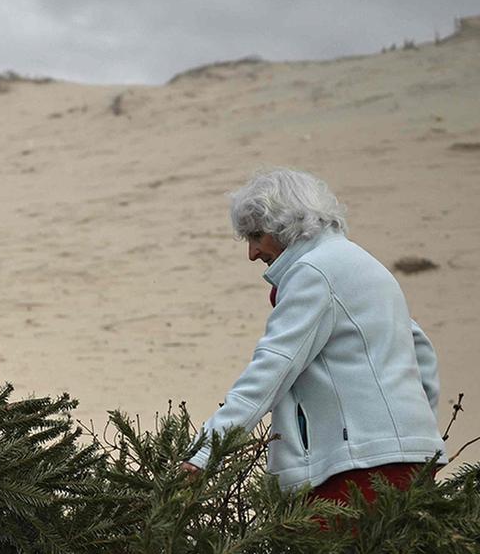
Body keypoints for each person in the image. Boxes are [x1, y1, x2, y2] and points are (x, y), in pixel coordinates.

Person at [183, 169, 445, 503]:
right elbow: (421, 352)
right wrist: (418, 433)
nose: (252, 253)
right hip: (409, 457)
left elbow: (273, 367)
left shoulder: (313, 272)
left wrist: (205, 451)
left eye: (256, 236)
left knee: (325, 540)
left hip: (356, 467)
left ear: (284, 225)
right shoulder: (360, 262)